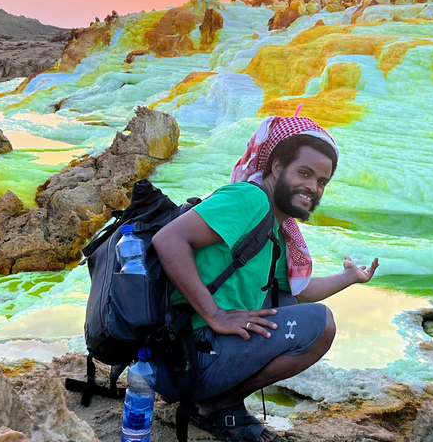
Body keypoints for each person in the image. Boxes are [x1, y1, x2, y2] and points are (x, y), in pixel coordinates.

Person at [151, 115, 379, 442]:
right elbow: (168, 240)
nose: (313, 187)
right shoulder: (250, 199)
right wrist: (214, 314)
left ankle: (216, 399)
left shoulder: (275, 227)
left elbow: (298, 295)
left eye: (321, 182)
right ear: (276, 167)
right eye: (304, 173)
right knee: (323, 324)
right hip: (183, 357)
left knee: (283, 302)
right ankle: (218, 403)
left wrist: (349, 277)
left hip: (186, 357)